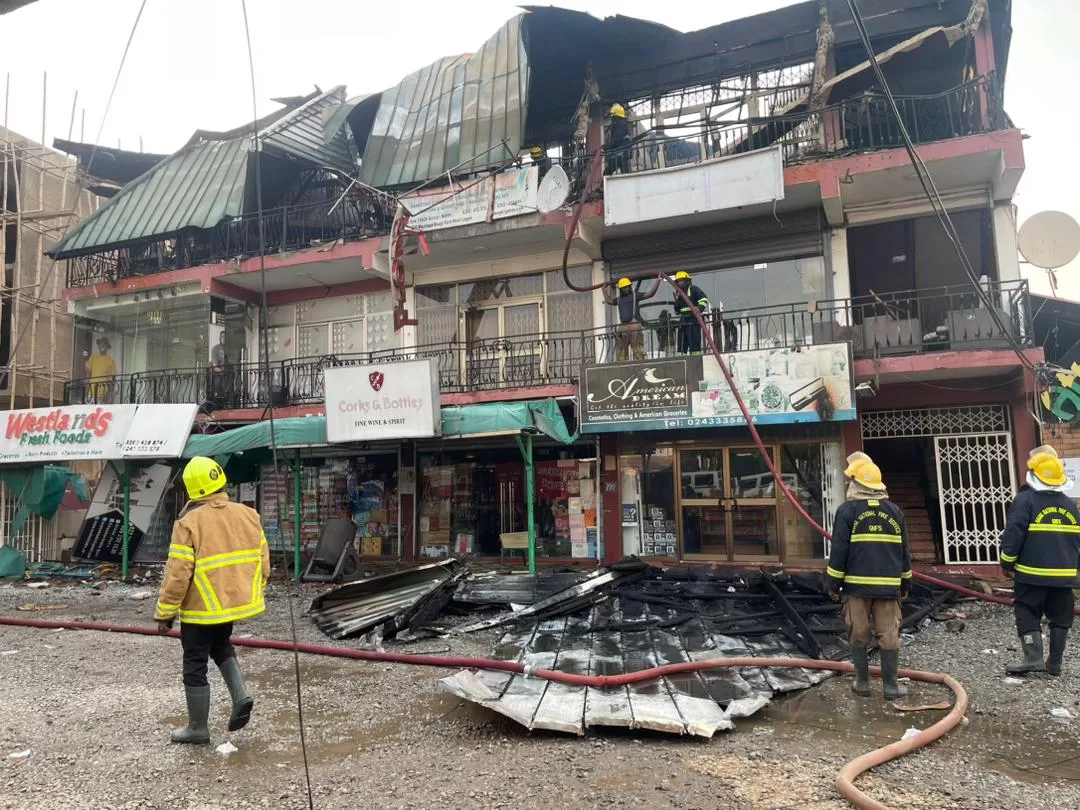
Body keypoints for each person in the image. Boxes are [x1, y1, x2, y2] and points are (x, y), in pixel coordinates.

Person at [155, 456, 270, 744]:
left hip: (199, 608)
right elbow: (263, 562)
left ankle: (197, 727)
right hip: (229, 604)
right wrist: (250, 589)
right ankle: (241, 694)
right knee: (221, 645)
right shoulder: (248, 514)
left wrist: (165, 613)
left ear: (192, 489)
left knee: (194, 662)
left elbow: (178, 574)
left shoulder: (188, 522)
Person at [826, 451, 912, 700]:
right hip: (888, 589)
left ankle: (862, 683)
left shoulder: (847, 512)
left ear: (856, 483)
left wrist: (832, 583)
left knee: (858, 633)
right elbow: (904, 550)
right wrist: (905, 582)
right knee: (889, 635)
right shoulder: (895, 511)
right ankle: (891, 687)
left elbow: (839, 550)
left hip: (856, 589)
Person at [1000, 445, 1080, 677]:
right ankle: (1054, 664)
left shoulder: (1025, 501)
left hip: (1031, 574)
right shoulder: (1069, 505)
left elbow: (1014, 534)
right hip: (1064, 576)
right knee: (1061, 617)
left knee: (1026, 610)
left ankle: (1033, 658)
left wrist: (1006, 562)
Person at [603, 277, 657, 361]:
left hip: (634, 325)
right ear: (621, 289)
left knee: (638, 352)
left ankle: (640, 369)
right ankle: (622, 370)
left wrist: (658, 280)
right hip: (623, 327)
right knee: (621, 353)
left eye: (628, 286)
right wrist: (603, 290)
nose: (626, 288)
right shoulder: (619, 299)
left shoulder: (636, 295)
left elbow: (650, 294)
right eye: (624, 287)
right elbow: (609, 301)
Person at [672, 271, 710, 355]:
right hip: (683, 322)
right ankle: (681, 363)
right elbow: (677, 311)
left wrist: (699, 309)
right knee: (681, 347)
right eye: (678, 281)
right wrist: (677, 300)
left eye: (681, 280)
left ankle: (696, 363)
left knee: (695, 346)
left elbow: (704, 299)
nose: (680, 283)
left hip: (693, 321)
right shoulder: (678, 294)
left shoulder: (693, 289)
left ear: (686, 281)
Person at [85, 336, 118, 404]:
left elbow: (113, 379)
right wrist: (86, 389)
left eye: (104, 344)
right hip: (91, 393)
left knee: (100, 413)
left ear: (107, 347)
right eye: (100, 344)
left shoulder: (111, 360)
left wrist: (108, 394)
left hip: (103, 393)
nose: (102, 346)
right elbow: (88, 374)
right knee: (90, 412)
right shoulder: (93, 357)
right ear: (99, 345)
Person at [605, 103, 631, 175]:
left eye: (612, 115)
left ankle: (603, 184)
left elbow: (617, 138)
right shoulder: (622, 124)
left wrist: (606, 146)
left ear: (616, 116)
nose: (611, 117)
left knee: (607, 173)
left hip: (620, 153)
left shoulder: (620, 125)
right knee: (624, 172)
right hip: (621, 153)